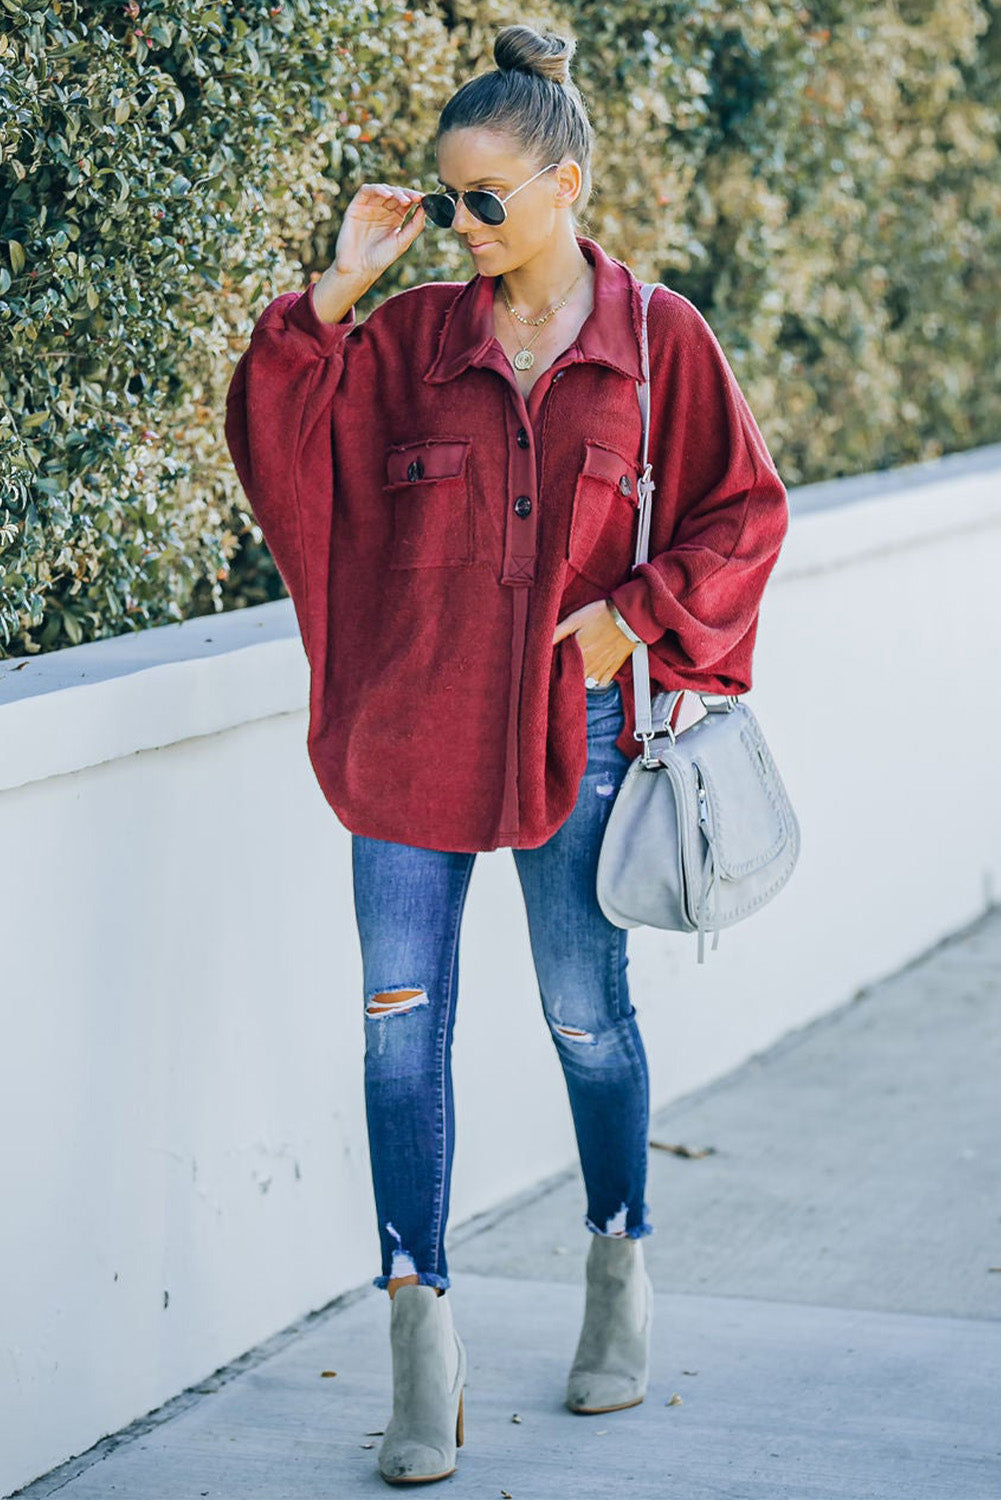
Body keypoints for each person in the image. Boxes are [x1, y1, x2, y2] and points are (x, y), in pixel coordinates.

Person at [224, 22, 789, 1486]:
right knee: (397, 1029)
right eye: (445, 200)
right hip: (406, 735)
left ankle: (617, 1259)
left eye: (484, 201)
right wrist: (341, 285)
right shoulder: (407, 342)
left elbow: (745, 515)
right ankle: (420, 1333)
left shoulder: (659, 341)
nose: (459, 227)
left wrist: (629, 625)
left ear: (565, 184)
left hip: (577, 733)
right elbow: (282, 456)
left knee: (581, 1017)